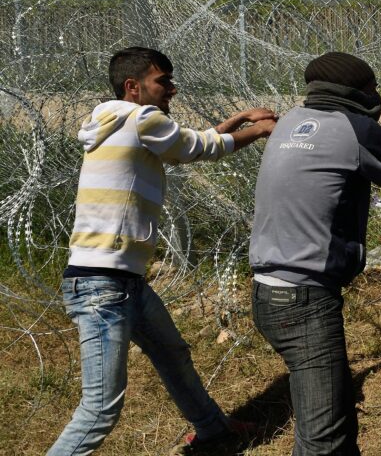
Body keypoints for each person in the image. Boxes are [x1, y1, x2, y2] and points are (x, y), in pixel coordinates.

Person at [49, 47, 276, 456]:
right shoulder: (142, 119)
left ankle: (213, 431)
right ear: (133, 87)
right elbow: (201, 148)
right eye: (163, 81)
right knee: (100, 409)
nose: (172, 88)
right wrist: (259, 130)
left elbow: (191, 144)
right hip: (105, 286)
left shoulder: (118, 121)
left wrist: (241, 119)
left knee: (173, 355)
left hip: (121, 281)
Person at [249, 52, 381, 456]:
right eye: (373, 88)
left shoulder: (290, 120)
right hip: (303, 300)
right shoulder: (357, 129)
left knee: (335, 418)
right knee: (324, 441)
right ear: (358, 93)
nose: (378, 96)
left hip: (267, 292)